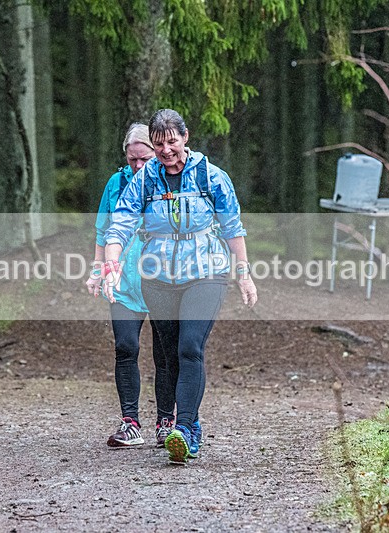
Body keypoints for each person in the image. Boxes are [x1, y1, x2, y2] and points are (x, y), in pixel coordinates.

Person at [102, 109, 257, 464]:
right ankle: (190, 421)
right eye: (159, 145)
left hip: (206, 273)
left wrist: (244, 273)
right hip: (157, 278)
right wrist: (111, 265)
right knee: (170, 355)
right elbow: (121, 224)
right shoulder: (145, 180)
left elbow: (233, 227)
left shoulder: (211, 177)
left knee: (190, 348)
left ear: (185, 138)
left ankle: (184, 430)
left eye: (172, 142)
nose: (166, 151)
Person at [86, 123, 176, 448]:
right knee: (126, 347)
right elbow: (103, 231)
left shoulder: (169, 181)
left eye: (143, 159)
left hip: (163, 280)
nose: (138, 165)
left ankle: (166, 423)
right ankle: (130, 423)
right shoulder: (116, 183)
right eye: (132, 159)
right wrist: (98, 270)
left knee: (165, 354)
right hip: (122, 282)